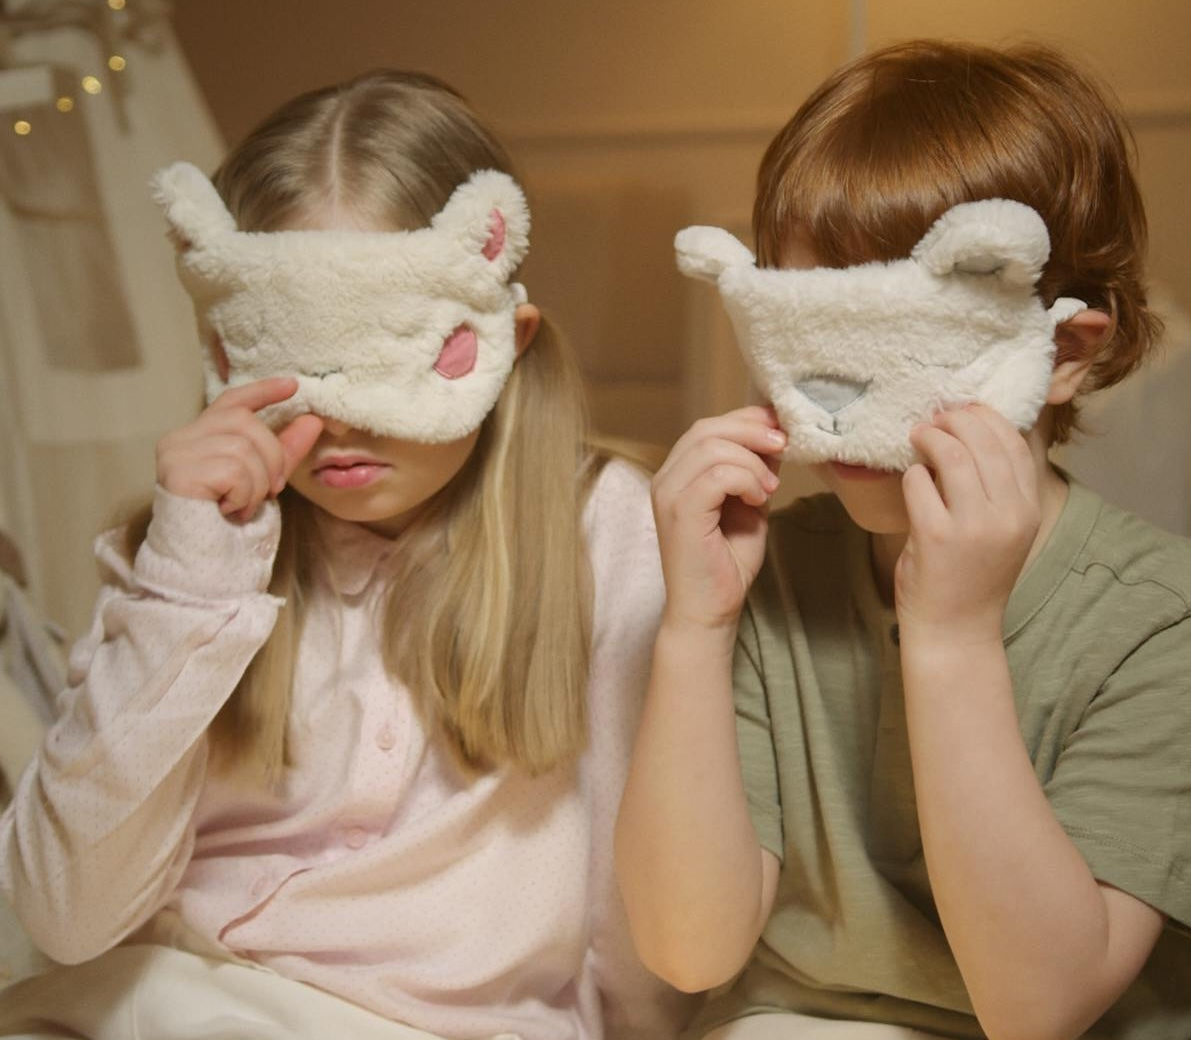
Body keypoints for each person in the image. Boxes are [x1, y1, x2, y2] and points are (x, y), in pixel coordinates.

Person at [0, 71, 691, 1040]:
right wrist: (189, 580)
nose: (340, 421)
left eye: (382, 354)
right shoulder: (173, 556)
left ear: (503, 338)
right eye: (298, 351)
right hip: (164, 1003)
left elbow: (637, 907)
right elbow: (62, 913)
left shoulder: (603, 534)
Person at [614, 40, 1191, 1040]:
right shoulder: (768, 572)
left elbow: (1034, 1006)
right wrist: (692, 632)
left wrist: (953, 636)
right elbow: (687, 949)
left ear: (1062, 354)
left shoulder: (1180, 618)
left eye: (903, 348)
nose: (848, 393)